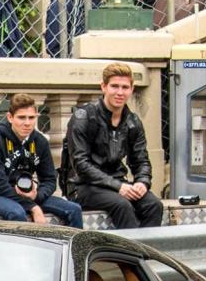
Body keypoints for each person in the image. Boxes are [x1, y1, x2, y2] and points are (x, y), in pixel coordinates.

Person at [66, 63, 164, 229]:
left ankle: (145, 251)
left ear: (132, 89)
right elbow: (81, 165)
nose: (120, 92)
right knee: (122, 205)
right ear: (103, 87)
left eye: (125, 87)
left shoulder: (133, 122)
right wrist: (119, 187)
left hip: (118, 183)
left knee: (154, 205)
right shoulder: (83, 117)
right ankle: (130, 254)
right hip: (82, 186)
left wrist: (142, 182)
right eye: (114, 86)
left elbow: (141, 160)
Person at [0, 93, 84, 228]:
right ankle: (21, 249)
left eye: (31, 118)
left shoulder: (40, 141)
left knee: (74, 209)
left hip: (27, 195)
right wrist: (34, 207)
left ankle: (73, 247)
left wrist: (37, 196)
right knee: (17, 213)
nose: (27, 123)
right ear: (10, 117)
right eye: (21, 118)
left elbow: (49, 179)